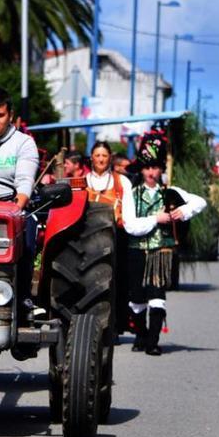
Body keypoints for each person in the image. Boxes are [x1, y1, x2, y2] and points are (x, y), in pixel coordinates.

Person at [123, 132, 206, 355]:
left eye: (156, 168)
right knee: (137, 299)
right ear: (141, 170)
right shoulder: (131, 194)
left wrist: (183, 211)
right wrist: (154, 219)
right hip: (137, 251)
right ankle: (141, 335)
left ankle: (153, 341)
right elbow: (130, 226)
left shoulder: (169, 192)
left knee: (157, 296)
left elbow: (200, 201)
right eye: (147, 168)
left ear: (161, 170)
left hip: (161, 251)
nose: (151, 172)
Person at [85, 141, 136, 334]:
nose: (100, 159)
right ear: (91, 158)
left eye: (104, 156)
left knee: (116, 282)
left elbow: (129, 214)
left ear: (110, 158)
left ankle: (115, 326)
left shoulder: (121, 182)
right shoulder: (82, 181)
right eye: (97, 155)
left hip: (116, 237)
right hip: (88, 239)